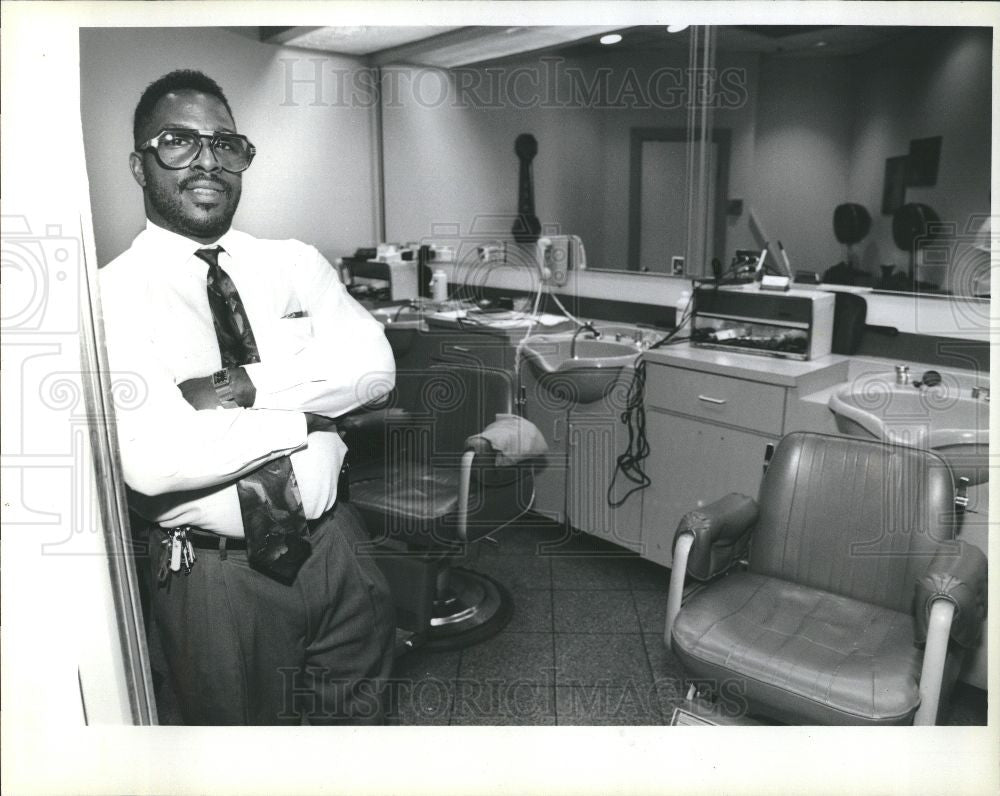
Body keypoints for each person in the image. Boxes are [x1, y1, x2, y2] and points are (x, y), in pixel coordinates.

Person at [99, 69, 397, 725]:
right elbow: (153, 457)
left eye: (226, 144)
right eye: (178, 141)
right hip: (218, 579)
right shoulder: (110, 295)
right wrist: (307, 412)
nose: (209, 161)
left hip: (338, 548)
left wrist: (243, 387)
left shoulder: (292, 263)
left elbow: (375, 371)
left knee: (365, 740)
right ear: (138, 163)